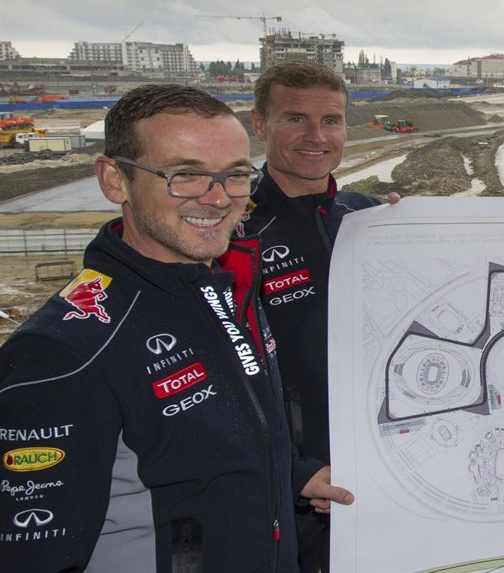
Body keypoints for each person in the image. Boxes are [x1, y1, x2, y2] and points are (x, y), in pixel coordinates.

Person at [0, 84, 301, 571]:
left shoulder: (220, 291)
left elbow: (217, 452)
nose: (218, 199)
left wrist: (297, 476)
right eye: (185, 175)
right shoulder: (64, 349)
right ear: (114, 180)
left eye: (235, 175)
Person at [240, 61, 381, 573]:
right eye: (296, 118)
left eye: (331, 120)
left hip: (385, 467)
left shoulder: (369, 216)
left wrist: (415, 231)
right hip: (291, 488)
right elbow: (219, 381)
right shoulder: (233, 235)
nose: (316, 137)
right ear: (261, 123)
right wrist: (295, 470)